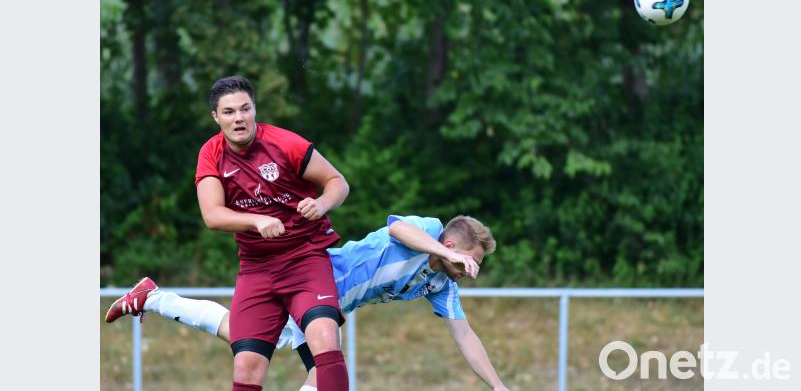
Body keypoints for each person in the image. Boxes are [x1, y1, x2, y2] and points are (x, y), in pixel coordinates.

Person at [106, 215, 510, 391]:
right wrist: (453, 255)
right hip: (313, 280)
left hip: (327, 303)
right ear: (452, 244)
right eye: (471, 259)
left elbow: (465, 335)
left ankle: (152, 297)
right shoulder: (429, 231)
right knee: (328, 373)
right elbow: (396, 228)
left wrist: (497, 385)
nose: (470, 269)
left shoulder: (442, 283)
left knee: (242, 334)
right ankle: (153, 297)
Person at [160, 75, 350, 391]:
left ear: (254, 109)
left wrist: (322, 203)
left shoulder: (285, 143)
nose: (239, 118)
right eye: (230, 111)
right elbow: (212, 215)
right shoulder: (211, 154)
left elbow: (338, 182)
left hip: (304, 258)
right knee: (246, 367)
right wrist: (256, 220)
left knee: (325, 336)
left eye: (245, 109)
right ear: (216, 117)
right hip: (257, 269)